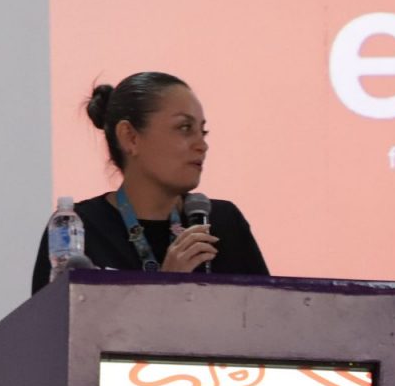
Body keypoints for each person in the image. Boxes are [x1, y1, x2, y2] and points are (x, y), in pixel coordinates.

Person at [31, 72, 268, 293]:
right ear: (130, 137)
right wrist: (165, 287)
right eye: (184, 128)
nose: (202, 145)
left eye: (202, 132)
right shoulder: (77, 229)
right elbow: (48, 322)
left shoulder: (223, 222)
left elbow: (266, 317)